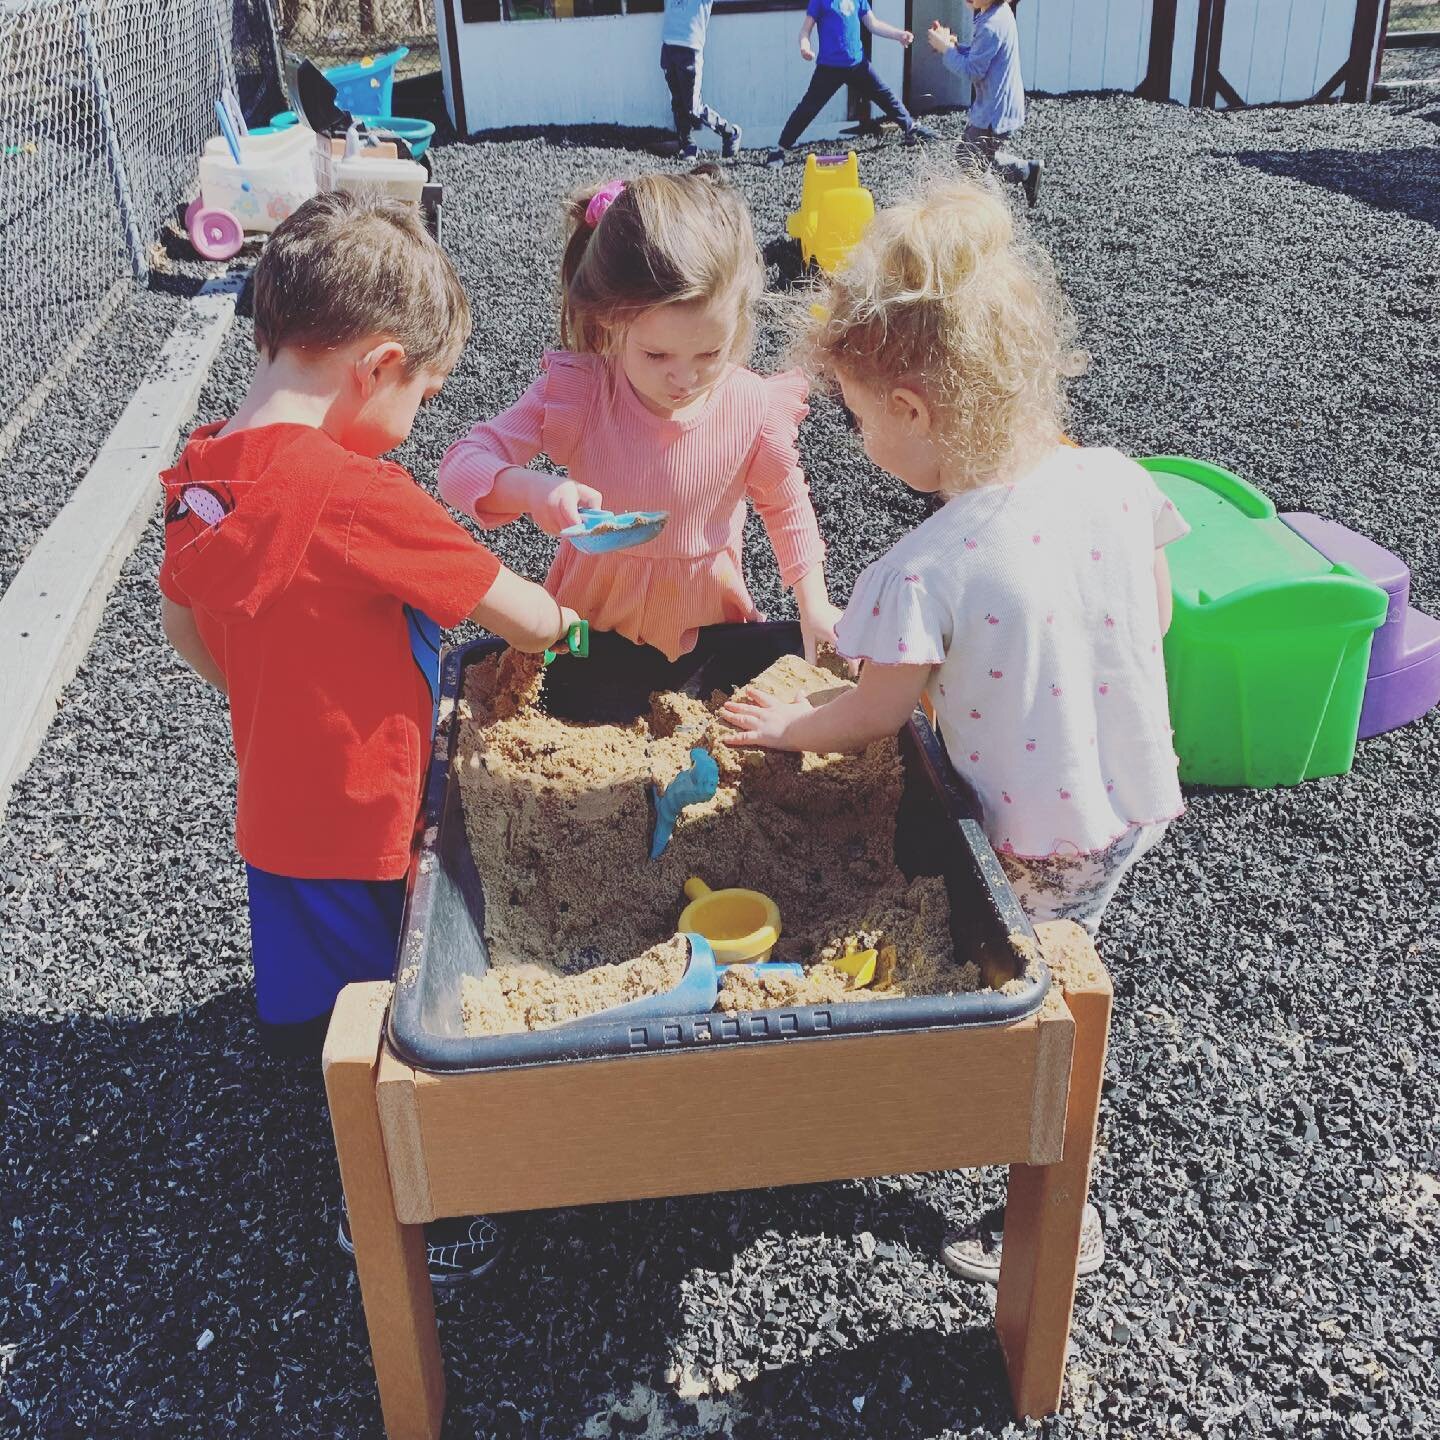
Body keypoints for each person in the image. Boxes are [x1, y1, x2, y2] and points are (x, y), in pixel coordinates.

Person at [720, 175, 1188, 1282]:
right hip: (1131, 798)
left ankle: (1051, 1208)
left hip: (1040, 830)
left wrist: (788, 725)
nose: (863, 437)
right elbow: (1156, 612)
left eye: (861, 416)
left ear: (915, 414)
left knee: (1020, 1001)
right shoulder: (1115, 481)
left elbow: (874, 714)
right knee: (1068, 950)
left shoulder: (931, 567)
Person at [158, 191, 579, 1285]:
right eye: (425, 395)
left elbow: (180, 626)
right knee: (401, 1021)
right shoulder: (358, 494)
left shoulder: (198, 475)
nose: (420, 419)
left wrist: (262, 701)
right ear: (377, 365)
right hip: (372, 815)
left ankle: (314, 1052)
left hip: (276, 812)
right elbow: (514, 609)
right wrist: (574, 627)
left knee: (316, 988)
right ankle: (397, 1206)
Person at [438, 168, 843, 668]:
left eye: (710, 353)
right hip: (588, 625)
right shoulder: (582, 394)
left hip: (706, 629)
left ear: (739, 321)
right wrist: (529, 489)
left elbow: (786, 505)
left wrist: (814, 605)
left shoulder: (750, 405)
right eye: (657, 356)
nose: (684, 378)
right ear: (610, 322)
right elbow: (460, 465)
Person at [765, 0, 937, 168]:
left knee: (884, 95)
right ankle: (780, 149)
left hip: (858, 65)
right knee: (808, 107)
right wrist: (805, 46)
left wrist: (898, 35)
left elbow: (873, 24)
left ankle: (911, 128)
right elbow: (805, 30)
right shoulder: (819, 1)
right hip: (828, 69)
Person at [927, 0, 1041, 206]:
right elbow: (981, 54)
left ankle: (995, 213)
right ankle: (1027, 170)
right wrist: (954, 47)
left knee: (970, 162)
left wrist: (945, 49)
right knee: (981, 155)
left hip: (994, 112)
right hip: (1000, 104)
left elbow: (973, 71)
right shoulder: (997, 12)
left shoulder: (991, 24)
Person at [661, 0, 742, 160]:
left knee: (694, 107)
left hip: (690, 48)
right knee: (677, 102)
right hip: (668, 45)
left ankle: (729, 132)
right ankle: (688, 145)